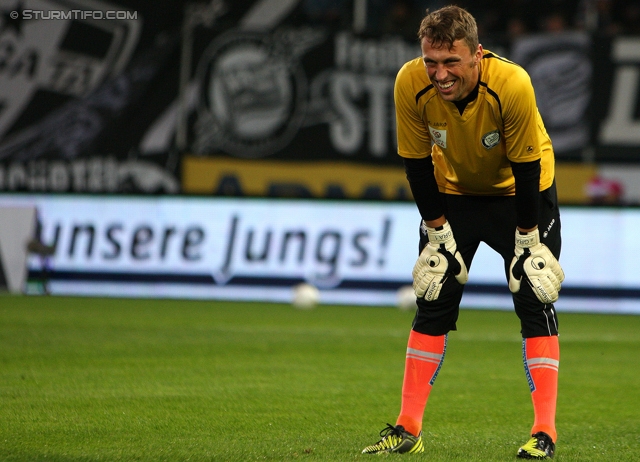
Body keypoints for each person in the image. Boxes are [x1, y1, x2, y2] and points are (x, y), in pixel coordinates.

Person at [361, 5, 564, 459]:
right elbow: (415, 165)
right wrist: (437, 232)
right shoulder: (409, 83)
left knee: (536, 298)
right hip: (453, 194)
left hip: (520, 193)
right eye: (431, 61)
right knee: (432, 298)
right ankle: (407, 428)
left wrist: (528, 239)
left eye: (451, 62)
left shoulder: (511, 83)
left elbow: (528, 168)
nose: (440, 73)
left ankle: (544, 433)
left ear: (476, 54)